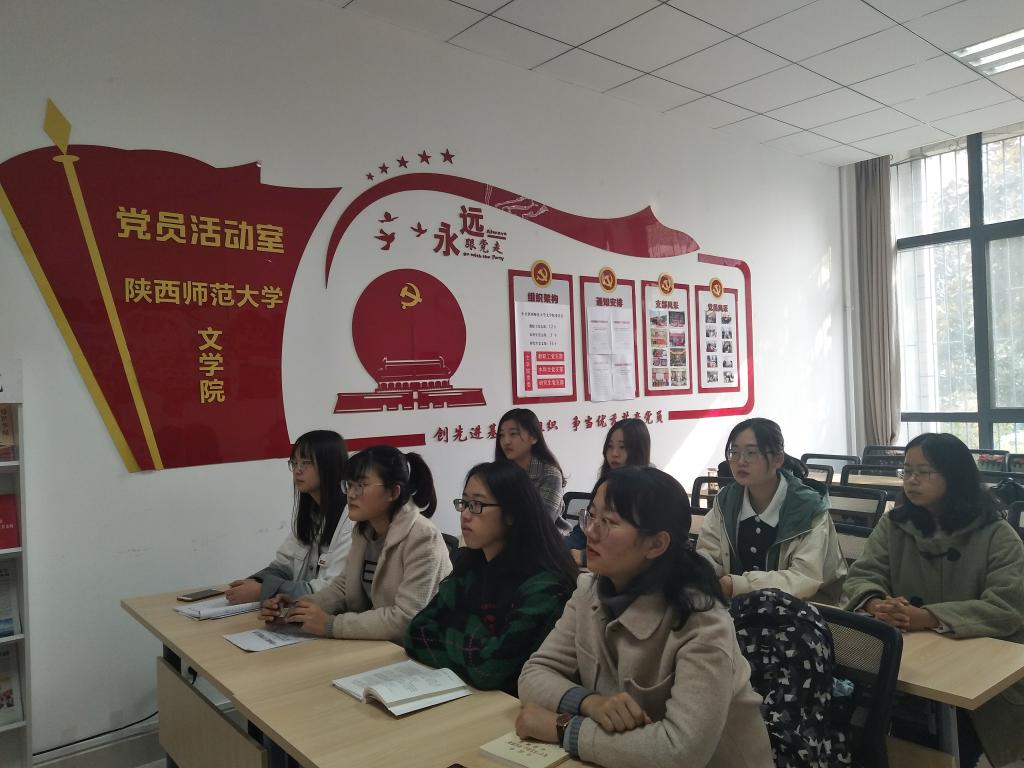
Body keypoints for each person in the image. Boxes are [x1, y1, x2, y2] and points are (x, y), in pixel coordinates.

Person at [516, 466, 773, 768]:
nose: (590, 532)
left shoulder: (702, 621)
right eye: (591, 516)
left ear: (656, 544)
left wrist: (565, 729)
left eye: (609, 522)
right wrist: (590, 703)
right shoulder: (589, 591)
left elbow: (681, 751)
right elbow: (534, 674)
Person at [843, 432, 1024, 767]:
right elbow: (862, 575)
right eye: (907, 471)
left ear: (954, 475)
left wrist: (928, 617)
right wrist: (877, 604)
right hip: (908, 658)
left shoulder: (997, 534)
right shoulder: (894, 525)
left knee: (952, 743)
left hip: (979, 671)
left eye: (923, 472)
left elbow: (1006, 607)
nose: (911, 480)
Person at [404, 461, 577, 694]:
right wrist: (477, 644)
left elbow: (489, 670)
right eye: (464, 503)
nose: (465, 515)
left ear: (512, 514)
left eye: (477, 505)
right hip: (467, 696)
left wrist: (457, 623)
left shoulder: (545, 586)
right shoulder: (470, 565)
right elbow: (415, 633)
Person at [260, 445, 451, 641]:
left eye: (360, 485)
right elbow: (343, 588)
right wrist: (296, 608)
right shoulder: (363, 530)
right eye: (349, 485)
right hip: (374, 644)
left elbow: (406, 619)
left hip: (414, 648)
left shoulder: (423, 537)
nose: (351, 494)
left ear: (393, 492)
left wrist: (331, 625)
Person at [696, 417, 847, 604]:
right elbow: (708, 553)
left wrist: (735, 584)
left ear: (778, 459)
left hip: (807, 609)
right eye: (734, 452)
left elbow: (804, 578)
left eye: (751, 453)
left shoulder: (808, 508)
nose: (740, 461)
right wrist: (700, 575)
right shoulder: (726, 501)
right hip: (740, 609)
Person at [225, 430, 353, 604]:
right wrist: (255, 582)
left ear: (329, 465)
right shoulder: (312, 515)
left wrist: (263, 591)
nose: (297, 470)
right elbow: (283, 567)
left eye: (306, 463)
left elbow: (329, 589)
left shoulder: (350, 520)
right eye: (294, 462)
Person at [565, 418, 650, 565]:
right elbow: (583, 531)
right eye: (610, 447)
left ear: (639, 450)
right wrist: (560, 549)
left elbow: (631, 547)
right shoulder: (606, 484)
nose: (614, 454)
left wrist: (584, 557)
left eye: (623, 447)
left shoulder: (649, 490)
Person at [494, 408, 568, 532]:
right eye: (502, 435)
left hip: (544, 540)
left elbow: (541, 524)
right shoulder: (500, 473)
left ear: (533, 437)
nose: (506, 441)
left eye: (513, 434)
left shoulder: (550, 475)